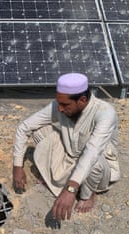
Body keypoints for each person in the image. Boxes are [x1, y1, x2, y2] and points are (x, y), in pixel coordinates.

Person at [12, 73, 120, 224]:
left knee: (94, 163)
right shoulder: (60, 105)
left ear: (82, 100)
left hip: (97, 165)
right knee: (38, 131)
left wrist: (70, 190)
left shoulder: (104, 113)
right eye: (59, 103)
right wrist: (17, 166)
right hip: (71, 153)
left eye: (65, 105)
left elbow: (92, 152)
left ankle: (88, 194)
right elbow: (25, 127)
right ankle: (69, 182)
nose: (60, 109)